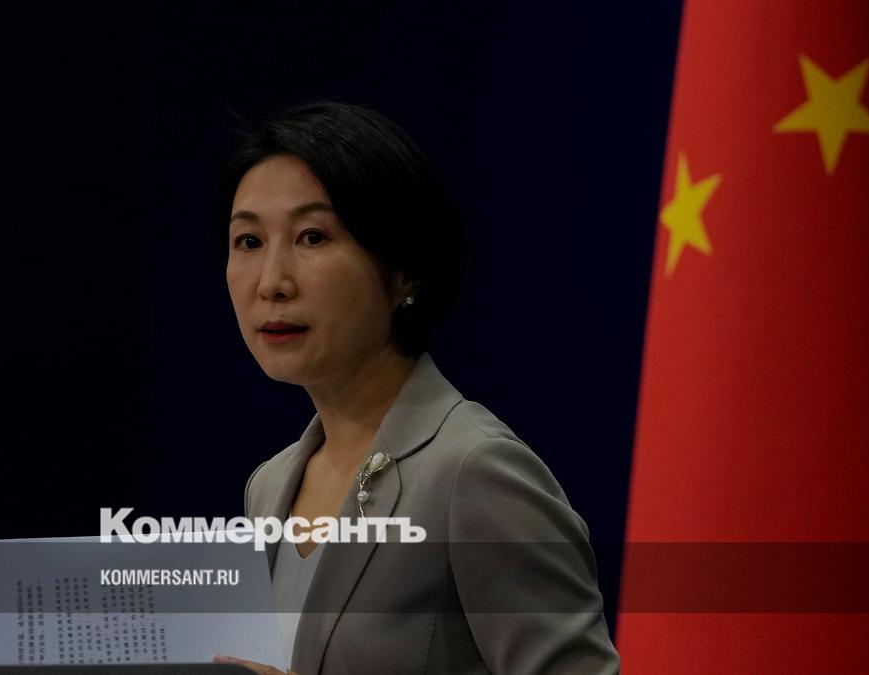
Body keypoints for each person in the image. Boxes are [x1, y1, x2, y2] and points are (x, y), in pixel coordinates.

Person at [211, 102, 619, 675]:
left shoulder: (474, 470)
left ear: (403, 271)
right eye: (249, 241)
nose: (271, 283)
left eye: (312, 236)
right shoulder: (270, 485)